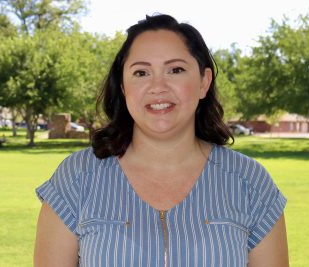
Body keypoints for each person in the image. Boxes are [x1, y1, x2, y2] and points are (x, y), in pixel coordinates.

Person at [34, 14, 288, 267]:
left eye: (175, 70)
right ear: (123, 87)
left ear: (204, 82)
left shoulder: (250, 183)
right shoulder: (76, 179)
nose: (158, 86)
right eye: (141, 72)